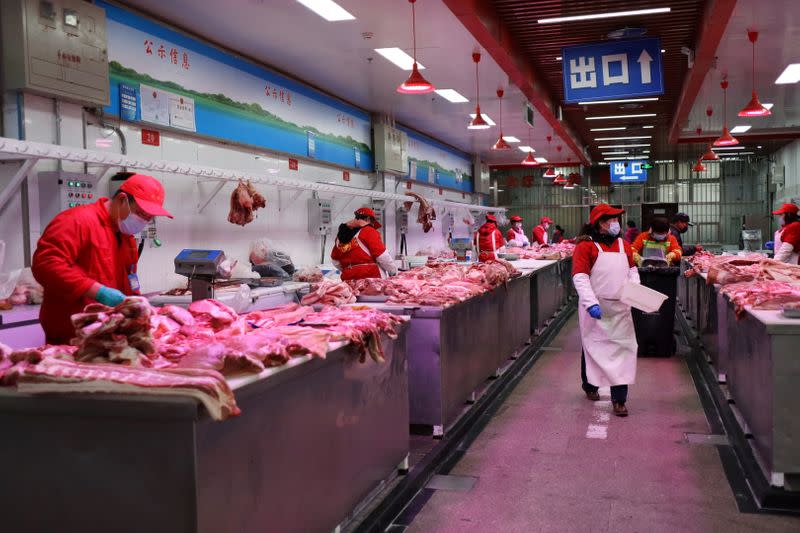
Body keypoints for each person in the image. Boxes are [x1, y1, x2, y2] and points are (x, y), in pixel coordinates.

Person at [32, 173, 173, 345]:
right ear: (122, 200)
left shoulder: (126, 236)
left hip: (109, 333)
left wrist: (138, 307)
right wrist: (97, 291)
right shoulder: (77, 220)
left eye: (149, 218)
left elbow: (130, 278)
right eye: (141, 214)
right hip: (73, 332)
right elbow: (46, 264)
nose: (144, 222)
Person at [572, 204, 640, 417]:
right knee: (593, 346)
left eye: (617, 219)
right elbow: (580, 276)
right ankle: (590, 385)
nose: (616, 223)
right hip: (596, 307)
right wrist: (590, 303)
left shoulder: (624, 244)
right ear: (601, 223)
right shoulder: (586, 246)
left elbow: (632, 270)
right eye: (612, 219)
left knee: (623, 350)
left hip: (621, 307)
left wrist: (635, 291)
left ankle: (619, 400)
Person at [331, 207, 397, 281]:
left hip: (349, 279)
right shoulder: (368, 231)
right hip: (371, 277)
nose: (372, 226)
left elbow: (335, 261)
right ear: (368, 219)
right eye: (372, 223)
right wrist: (393, 272)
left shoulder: (340, 237)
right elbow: (382, 256)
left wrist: (350, 269)